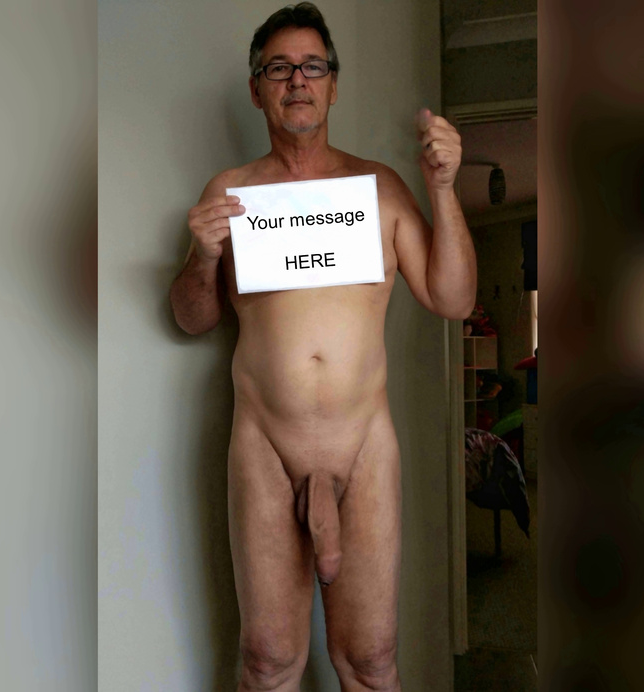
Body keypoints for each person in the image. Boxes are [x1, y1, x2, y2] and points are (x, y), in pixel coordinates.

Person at [170, 3, 476, 690]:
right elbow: (192, 319)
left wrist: (443, 189)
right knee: (268, 662)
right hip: (264, 444)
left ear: (334, 85)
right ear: (257, 90)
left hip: (363, 444)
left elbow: (453, 299)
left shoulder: (380, 189)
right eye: (278, 68)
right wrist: (201, 255)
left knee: (371, 661)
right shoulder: (230, 193)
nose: (297, 80)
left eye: (312, 66)